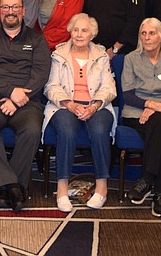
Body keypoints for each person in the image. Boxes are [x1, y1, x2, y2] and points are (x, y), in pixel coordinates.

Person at [0, 0, 50, 211]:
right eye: (5, 7)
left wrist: (17, 98)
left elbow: (42, 72)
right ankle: (14, 187)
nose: (10, 12)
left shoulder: (36, 39)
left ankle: (5, 188)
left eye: (15, 7)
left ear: (24, 11)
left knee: (33, 129)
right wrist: (9, 91)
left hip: (27, 101)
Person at [43, 13, 115, 211]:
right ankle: (62, 189)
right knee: (66, 129)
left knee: (100, 130)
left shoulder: (101, 56)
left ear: (92, 34)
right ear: (70, 31)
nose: (79, 34)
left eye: (84, 31)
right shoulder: (58, 55)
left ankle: (101, 188)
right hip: (64, 105)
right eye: (75, 30)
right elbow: (51, 86)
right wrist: (69, 103)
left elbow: (109, 88)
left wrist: (94, 106)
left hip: (97, 105)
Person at [122, 18, 161, 219]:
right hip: (136, 113)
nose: (147, 37)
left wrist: (160, 107)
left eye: (152, 33)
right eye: (143, 33)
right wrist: (152, 105)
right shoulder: (130, 59)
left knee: (160, 122)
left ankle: (147, 179)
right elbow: (128, 95)